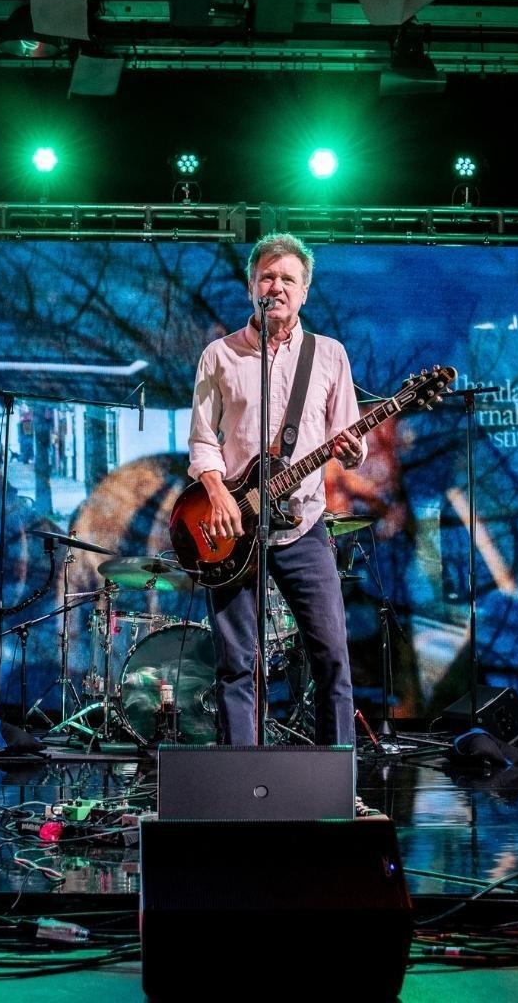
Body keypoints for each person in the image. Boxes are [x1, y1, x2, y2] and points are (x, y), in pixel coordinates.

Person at [189, 233, 365, 746]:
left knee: (331, 657)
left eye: (288, 278)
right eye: (268, 276)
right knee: (236, 665)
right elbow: (203, 440)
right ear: (251, 287)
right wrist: (217, 491)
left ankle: (338, 781)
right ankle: (240, 782)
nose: (277, 286)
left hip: (305, 525)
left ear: (305, 291)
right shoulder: (218, 356)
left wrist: (354, 453)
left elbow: (348, 438)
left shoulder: (329, 355)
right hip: (234, 526)